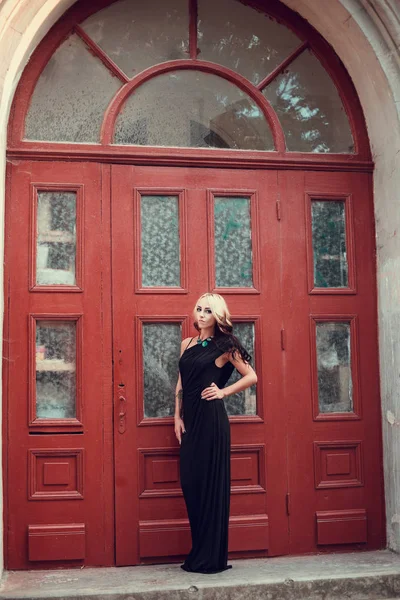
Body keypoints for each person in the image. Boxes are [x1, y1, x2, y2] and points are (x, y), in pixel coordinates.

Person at [174, 292, 257, 574]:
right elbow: (181, 383)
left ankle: (209, 558)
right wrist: (177, 415)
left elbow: (251, 376)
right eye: (198, 309)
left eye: (208, 310)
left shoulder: (226, 346)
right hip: (191, 422)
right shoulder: (187, 343)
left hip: (211, 422)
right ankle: (200, 550)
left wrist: (222, 392)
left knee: (210, 486)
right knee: (191, 483)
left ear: (217, 315)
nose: (201, 314)